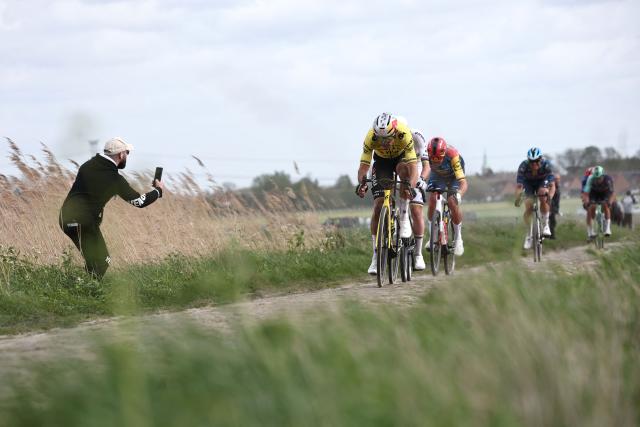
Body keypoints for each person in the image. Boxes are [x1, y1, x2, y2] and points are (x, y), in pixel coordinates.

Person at [59, 137, 165, 279]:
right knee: (103, 261)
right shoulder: (114, 179)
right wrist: (158, 191)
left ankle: (79, 289)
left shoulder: (87, 166)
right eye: (127, 153)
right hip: (84, 223)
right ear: (121, 155)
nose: (127, 156)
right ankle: (81, 290)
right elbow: (139, 202)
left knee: (93, 262)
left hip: (65, 219)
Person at [356, 113, 418, 275]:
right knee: (378, 205)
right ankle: (376, 256)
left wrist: (410, 186)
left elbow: (413, 166)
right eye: (380, 139)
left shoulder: (403, 133)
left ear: (394, 132)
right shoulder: (371, 136)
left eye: (387, 139)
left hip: (401, 159)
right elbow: (364, 165)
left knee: (404, 173)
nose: (384, 143)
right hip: (382, 162)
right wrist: (362, 184)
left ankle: (403, 217)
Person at [424, 137, 467, 256]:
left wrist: (459, 195)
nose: (436, 162)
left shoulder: (452, 155)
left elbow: (463, 183)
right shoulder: (426, 154)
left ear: (443, 153)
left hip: (454, 176)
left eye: (439, 159)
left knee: (452, 201)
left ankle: (458, 239)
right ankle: (433, 236)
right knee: (432, 198)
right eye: (433, 159)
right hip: (438, 176)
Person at [514, 147, 556, 249]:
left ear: (540, 159)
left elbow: (552, 184)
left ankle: (546, 225)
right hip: (528, 184)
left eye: (536, 161)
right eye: (531, 162)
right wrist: (518, 198)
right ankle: (529, 235)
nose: (534, 164)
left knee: (543, 195)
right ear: (528, 161)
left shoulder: (547, 165)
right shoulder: (523, 166)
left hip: (542, 182)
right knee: (528, 206)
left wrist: (549, 197)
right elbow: (519, 186)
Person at [408, 130, 430, 270]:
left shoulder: (418, 138)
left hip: (416, 167)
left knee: (416, 210)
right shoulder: (390, 140)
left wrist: (422, 179)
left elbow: (426, 166)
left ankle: (418, 254)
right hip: (398, 169)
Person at [581, 165, 614, 238]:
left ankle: (608, 228)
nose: (598, 180)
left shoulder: (608, 180)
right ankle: (591, 230)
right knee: (591, 207)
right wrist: (587, 202)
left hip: (605, 193)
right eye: (596, 178)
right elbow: (586, 193)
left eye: (599, 178)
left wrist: (610, 202)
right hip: (594, 193)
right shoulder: (590, 179)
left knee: (606, 206)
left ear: (603, 175)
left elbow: (612, 194)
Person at [548, 174, 561, 239]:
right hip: (550, 207)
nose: (557, 180)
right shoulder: (551, 187)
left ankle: (551, 234)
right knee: (552, 221)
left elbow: (557, 200)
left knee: (553, 222)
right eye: (556, 179)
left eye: (558, 179)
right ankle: (552, 235)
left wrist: (557, 209)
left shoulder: (558, 187)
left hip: (555, 207)